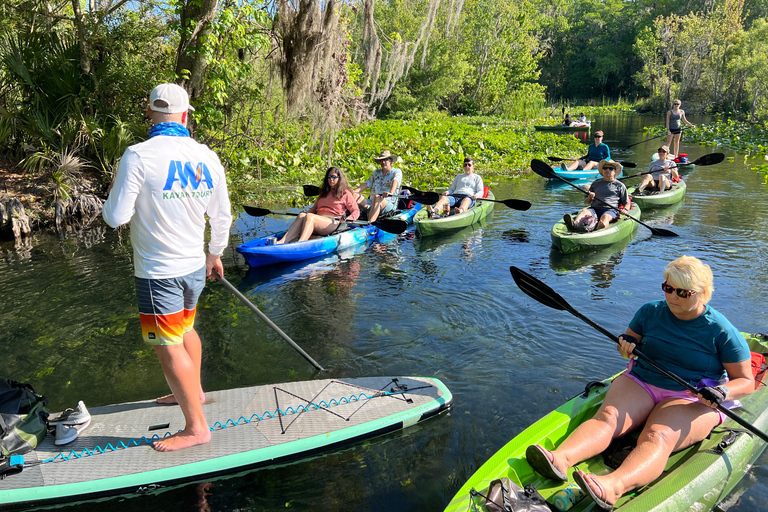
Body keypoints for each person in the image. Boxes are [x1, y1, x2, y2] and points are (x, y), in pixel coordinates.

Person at [525, 256, 753, 511]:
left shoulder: (721, 330)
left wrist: (721, 391)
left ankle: (613, 486)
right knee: (608, 416)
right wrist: (625, 347)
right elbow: (628, 346)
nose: (672, 297)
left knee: (658, 435)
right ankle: (560, 459)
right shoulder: (650, 312)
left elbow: (746, 382)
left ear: (702, 293)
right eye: (667, 288)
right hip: (644, 380)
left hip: (691, 396)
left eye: (682, 292)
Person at [102, 83, 232, 452]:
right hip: (194, 267)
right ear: (186, 115)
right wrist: (215, 254)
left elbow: (115, 218)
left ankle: (196, 428)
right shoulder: (207, 156)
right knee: (186, 329)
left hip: (158, 272)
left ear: (149, 113)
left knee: (168, 345)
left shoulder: (138, 155)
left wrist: (115, 185)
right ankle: (195, 393)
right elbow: (221, 215)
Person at [276, 167, 359, 244]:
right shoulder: (323, 192)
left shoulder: (345, 193)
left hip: (333, 223)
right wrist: (305, 213)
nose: (331, 179)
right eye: (329, 177)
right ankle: (282, 241)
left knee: (310, 217)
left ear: (339, 178)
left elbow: (356, 211)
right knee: (302, 215)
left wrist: (348, 219)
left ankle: (301, 243)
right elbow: (314, 208)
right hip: (319, 220)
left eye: (334, 177)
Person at [563, 159, 628, 232]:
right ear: (602, 171)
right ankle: (574, 225)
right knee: (584, 211)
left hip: (611, 210)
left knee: (604, 218)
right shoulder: (595, 183)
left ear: (615, 171)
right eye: (605, 168)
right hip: (594, 208)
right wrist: (590, 197)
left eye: (610, 168)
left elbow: (627, 203)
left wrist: (625, 210)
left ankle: (596, 233)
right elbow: (586, 202)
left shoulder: (620, 185)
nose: (607, 170)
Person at [353, 150, 402, 223]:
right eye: (381, 160)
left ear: (390, 161)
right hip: (371, 203)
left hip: (387, 204)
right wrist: (353, 192)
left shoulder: (396, 172)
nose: (383, 162)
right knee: (354, 195)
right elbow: (366, 184)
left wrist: (390, 192)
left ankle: (370, 224)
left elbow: (396, 182)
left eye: (385, 160)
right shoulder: (376, 172)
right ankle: (348, 220)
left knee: (377, 197)